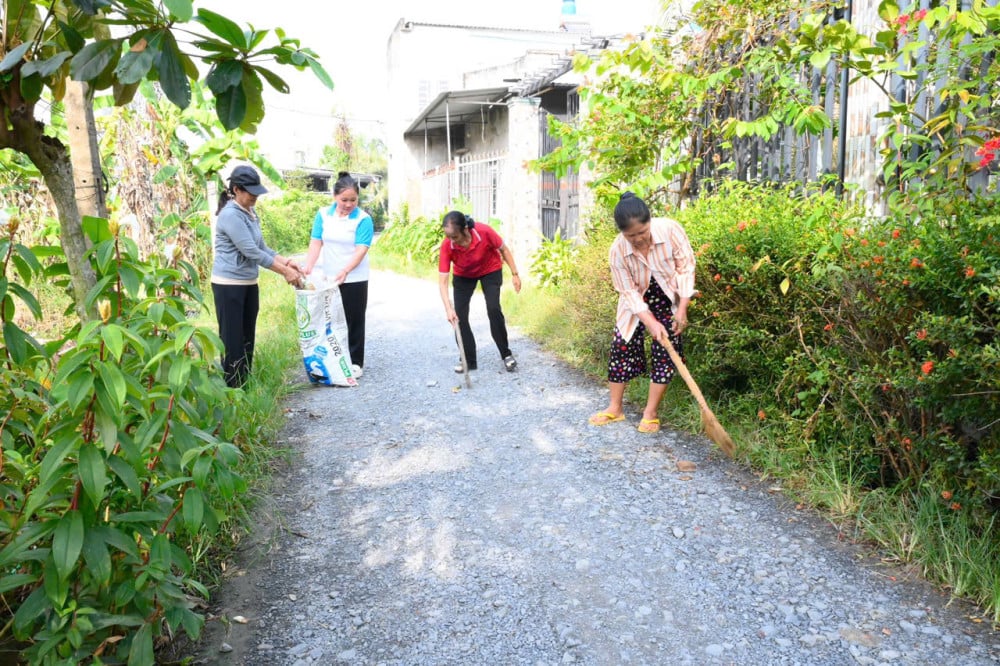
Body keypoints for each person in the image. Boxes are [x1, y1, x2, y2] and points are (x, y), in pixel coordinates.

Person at [588, 192, 696, 433]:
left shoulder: (670, 230)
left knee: (666, 351)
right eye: (631, 235)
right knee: (622, 346)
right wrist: (649, 321)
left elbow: (686, 268)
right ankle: (615, 409)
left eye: (642, 232)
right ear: (621, 232)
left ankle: (650, 413)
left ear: (650, 221)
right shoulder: (617, 250)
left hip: (668, 296)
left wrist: (682, 309)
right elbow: (627, 292)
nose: (638, 239)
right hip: (636, 300)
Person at [212, 165, 304, 388]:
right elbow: (251, 252)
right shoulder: (230, 215)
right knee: (232, 341)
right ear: (236, 190)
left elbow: (262, 247)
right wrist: (285, 273)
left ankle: (245, 385)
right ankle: (233, 390)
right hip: (228, 286)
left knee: (247, 338)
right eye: (250, 191)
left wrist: (286, 261)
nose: (255, 196)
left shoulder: (250, 214)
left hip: (248, 284)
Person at [303, 172, 374, 377]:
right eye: (344, 200)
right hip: (329, 277)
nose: (349, 204)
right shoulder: (323, 214)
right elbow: (316, 241)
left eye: (353, 200)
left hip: (354, 277)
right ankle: (334, 359)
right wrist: (309, 265)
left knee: (354, 319)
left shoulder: (363, 219)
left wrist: (345, 270)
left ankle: (355, 362)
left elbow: (361, 249)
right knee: (330, 319)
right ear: (334, 197)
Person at [438, 211, 522, 373]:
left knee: (493, 308)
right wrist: (449, 308)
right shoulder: (447, 245)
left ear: (465, 229)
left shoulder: (484, 232)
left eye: (454, 237)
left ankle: (506, 354)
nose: (451, 241)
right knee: (459, 317)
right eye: (448, 237)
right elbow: (442, 281)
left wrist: (515, 274)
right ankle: (468, 360)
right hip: (463, 275)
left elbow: (504, 250)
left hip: (490, 270)